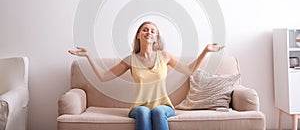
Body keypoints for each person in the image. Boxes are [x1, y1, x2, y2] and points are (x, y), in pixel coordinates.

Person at [68, 21, 224, 130]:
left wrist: (206, 51)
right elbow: (103, 76)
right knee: (144, 111)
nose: (149, 32)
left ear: (156, 37)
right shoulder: (130, 60)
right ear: (138, 35)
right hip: (139, 107)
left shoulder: (164, 56)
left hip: (164, 106)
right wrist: (88, 55)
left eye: (152, 30)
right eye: (145, 29)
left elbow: (189, 70)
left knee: (157, 112)